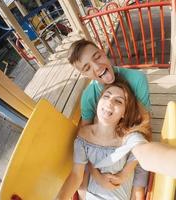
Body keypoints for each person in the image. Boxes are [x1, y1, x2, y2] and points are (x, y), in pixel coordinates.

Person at [68, 39, 151, 199]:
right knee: (82, 183)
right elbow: (85, 138)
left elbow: (146, 127)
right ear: (84, 75)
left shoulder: (137, 79)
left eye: (97, 56)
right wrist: (97, 176)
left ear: (102, 50)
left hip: (134, 142)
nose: (97, 67)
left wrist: (126, 173)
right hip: (102, 151)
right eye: (87, 67)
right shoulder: (88, 96)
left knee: (140, 183)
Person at [55, 77, 151, 200]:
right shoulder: (84, 136)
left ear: (124, 113)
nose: (110, 102)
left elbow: (144, 156)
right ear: (98, 103)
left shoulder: (129, 138)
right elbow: (76, 175)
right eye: (106, 96)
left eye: (118, 101)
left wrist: (123, 175)